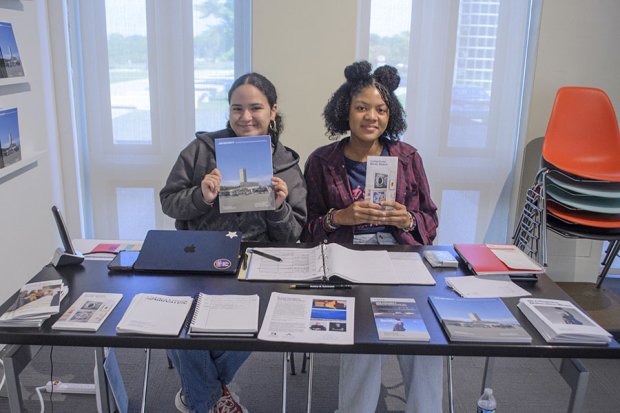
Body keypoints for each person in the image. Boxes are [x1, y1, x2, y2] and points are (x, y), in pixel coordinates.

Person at [160, 72, 307, 413]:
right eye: (236, 108)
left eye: (256, 108)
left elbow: (293, 234)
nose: (245, 117)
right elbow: (169, 201)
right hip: (201, 255)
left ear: (273, 110)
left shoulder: (286, 164)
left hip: (260, 262)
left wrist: (278, 207)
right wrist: (201, 196)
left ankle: (200, 395)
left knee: (264, 320)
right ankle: (213, 398)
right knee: (183, 322)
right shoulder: (199, 152)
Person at [301, 61, 442, 413]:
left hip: (401, 256)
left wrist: (407, 219)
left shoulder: (407, 157)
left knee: (424, 337)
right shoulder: (321, 161)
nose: (371, 117)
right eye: (361, 107)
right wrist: (339, 217)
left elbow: (430, 219)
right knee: (363, 336)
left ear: (390, 115)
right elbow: (306, 229)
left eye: (381, 109)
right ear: (344, 111)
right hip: (346, 258)